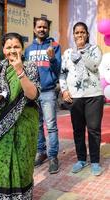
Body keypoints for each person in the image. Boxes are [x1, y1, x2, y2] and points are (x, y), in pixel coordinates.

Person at [0, 32, 41, 200]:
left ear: (22, 49)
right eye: (8, 47)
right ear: (3, 49)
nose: (12, 50)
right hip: (1, 127)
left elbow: (32, 95)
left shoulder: (30, 66)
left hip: (25, 125)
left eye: (16, 46)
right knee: (3, 165)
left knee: (23, 165)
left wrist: (19, 71)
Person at [59, 22, 104, 176]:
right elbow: (62, 73)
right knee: (78, 130)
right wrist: (64, 90)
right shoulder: (67, 53)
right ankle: (81, 160)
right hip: (75, 98)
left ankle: (95, 162)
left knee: (93, 130)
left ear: (87, 34)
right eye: (77, 33)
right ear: (73, 35)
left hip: (93, 96)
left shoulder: (94, 49)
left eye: (82, 32)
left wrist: (82, 53)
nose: (80, 35)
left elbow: (94, 66)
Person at [25, 17, 61, 174]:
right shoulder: (28, 50)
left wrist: (52, 58)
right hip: (33, 93)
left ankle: (53, 157)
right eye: (39, 27)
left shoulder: (55, 46)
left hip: (47, 92)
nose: (41, 29)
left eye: (44, 27)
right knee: (37, 125)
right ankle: (42, 152)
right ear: (34, 29)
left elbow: (58, 70)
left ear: (47, 29)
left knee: (51, 126)